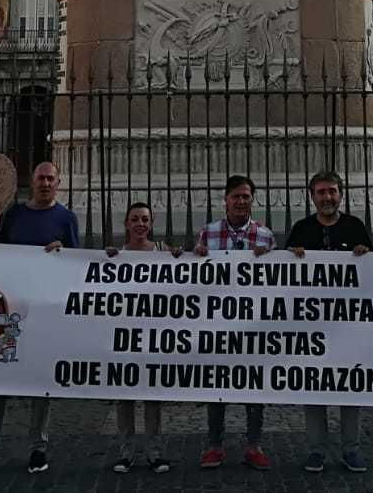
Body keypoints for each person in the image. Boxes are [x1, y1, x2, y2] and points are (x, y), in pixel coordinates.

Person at [0, 160, 80, 476]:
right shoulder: (15, 214)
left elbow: (77, 265)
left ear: (59, 183)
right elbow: (1, 254)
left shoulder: (66, 218)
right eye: (41, 178)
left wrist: (64, 252)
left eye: (51, 179)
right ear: (32, 181)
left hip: (45, 309)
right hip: (10, 306)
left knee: (40, 380)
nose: (45, 183)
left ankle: (38, 448)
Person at [285, 170, 372, 473]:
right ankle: (316, 449)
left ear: (340, 194)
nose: (327, 197)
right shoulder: (301, 228)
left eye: (332, 191)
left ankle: (352, 449)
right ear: (312, 197)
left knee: (350, 386)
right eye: (321, 192)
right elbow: (284, 276)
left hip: (348, 325)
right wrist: (291, 256)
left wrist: (366, 255)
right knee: (314, 386)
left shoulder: (355, 227)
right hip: (312, 325)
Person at [193, 174, 276, 470]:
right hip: (217, 322)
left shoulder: (265, 236)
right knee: (217, 384)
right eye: (236, 196)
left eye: (246, 197)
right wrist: (196, 256)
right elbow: (195, 277)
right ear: (225, 200)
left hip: (253, 323)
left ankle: (254, 444)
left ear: (252, 200)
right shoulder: (209, 233)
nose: (241, 202)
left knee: (255, 385)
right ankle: (215, 445)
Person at [106, 200, 181, 474]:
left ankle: (154, 452)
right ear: (126, 224)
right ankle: (126, 453)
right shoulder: (116, 254)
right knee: (124, 396)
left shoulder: (163, 252)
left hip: (154, 335)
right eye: (135, 219)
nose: (140, 224)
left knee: (152, 396)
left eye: (145, 220)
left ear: (151, 224)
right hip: (125, 334)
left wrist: (179, 256)